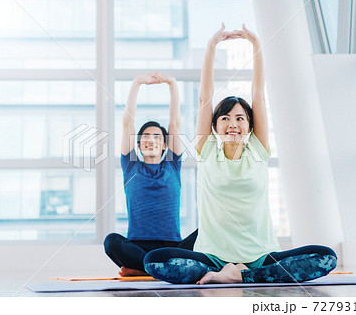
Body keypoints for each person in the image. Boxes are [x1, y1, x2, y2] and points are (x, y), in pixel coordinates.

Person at [143, 24, 337, 284]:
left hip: (259, 253)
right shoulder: (207, 149)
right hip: (212, 254)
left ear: (249, 126)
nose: (232, 123)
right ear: (214, 126)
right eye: (224, 118)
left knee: (326, 257)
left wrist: (256, 44)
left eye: (239, 118)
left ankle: (240, 274)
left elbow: (259, 95)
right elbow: (204, 98)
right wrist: (211, 46)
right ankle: (243, 275)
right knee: (154, 261)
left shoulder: (258, 148)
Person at [104, 71, 198, 277]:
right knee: (111, 241)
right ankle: (155, 267)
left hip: (172, 247)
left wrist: (172, 83)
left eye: (157, 136)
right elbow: (127, 123)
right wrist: (137, 83)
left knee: (205, 232)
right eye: (145, 136)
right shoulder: (131, 166)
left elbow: (175, 124)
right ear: (138, 144)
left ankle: (143, 269)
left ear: (165, 144)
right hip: (137, 247)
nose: (151, 139)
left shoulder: (173, 165)